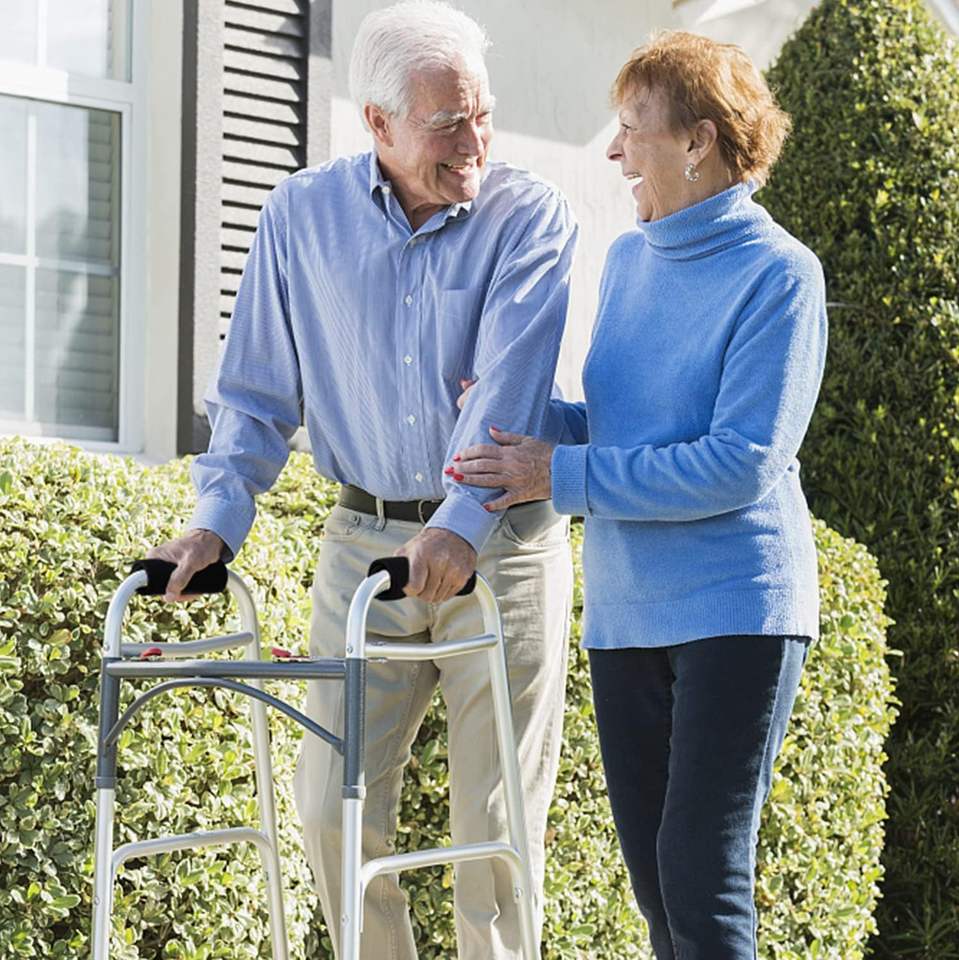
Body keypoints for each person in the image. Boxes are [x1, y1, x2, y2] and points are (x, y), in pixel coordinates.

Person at [146, 3, 578, 958]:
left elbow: (505, 392)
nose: (473, 143)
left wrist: (459, 526)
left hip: (500, 545)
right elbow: (253, 395)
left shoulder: (529, 216)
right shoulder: (300, 218)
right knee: (331, 806)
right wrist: (215, 524)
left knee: (493, 830)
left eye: (482, 115)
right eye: (446, 123)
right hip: (366, 543)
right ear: (378, 122)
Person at [450, 31, 827, 959]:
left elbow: (741, 460)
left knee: (700, 871)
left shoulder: (780, 275)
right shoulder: (627, 261)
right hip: (627, 612)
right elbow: (619, 425)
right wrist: (520, 416)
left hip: (737, 606)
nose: (614, 151)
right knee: (658, 885)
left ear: (698, 141)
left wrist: (561, 474)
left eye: (631, 128)